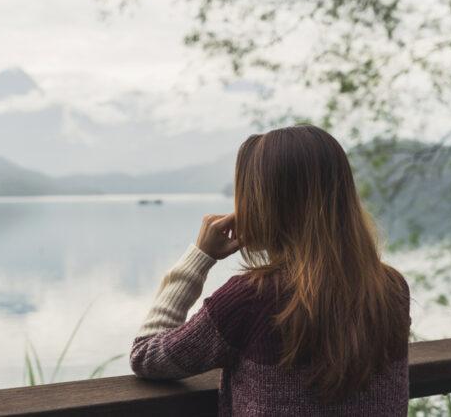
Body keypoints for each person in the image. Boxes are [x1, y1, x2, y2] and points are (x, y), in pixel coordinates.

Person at [129, 124, 411, 416]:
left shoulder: (251, 299)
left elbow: (147, 356)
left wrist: (199, 257)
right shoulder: (391, 288)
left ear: (264, 205)